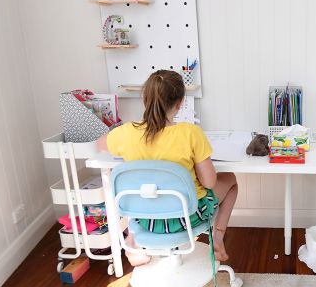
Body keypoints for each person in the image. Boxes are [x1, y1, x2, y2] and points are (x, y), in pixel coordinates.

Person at [98, 70, 238, 266]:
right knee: (230, 180)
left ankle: (135, 246)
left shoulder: (127, 133)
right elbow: (209, 182)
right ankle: (217, 238)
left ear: (146, 99)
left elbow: (100, 144)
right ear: (180, 102)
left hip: (147, 220)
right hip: (187, 217)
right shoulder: (190, 133)